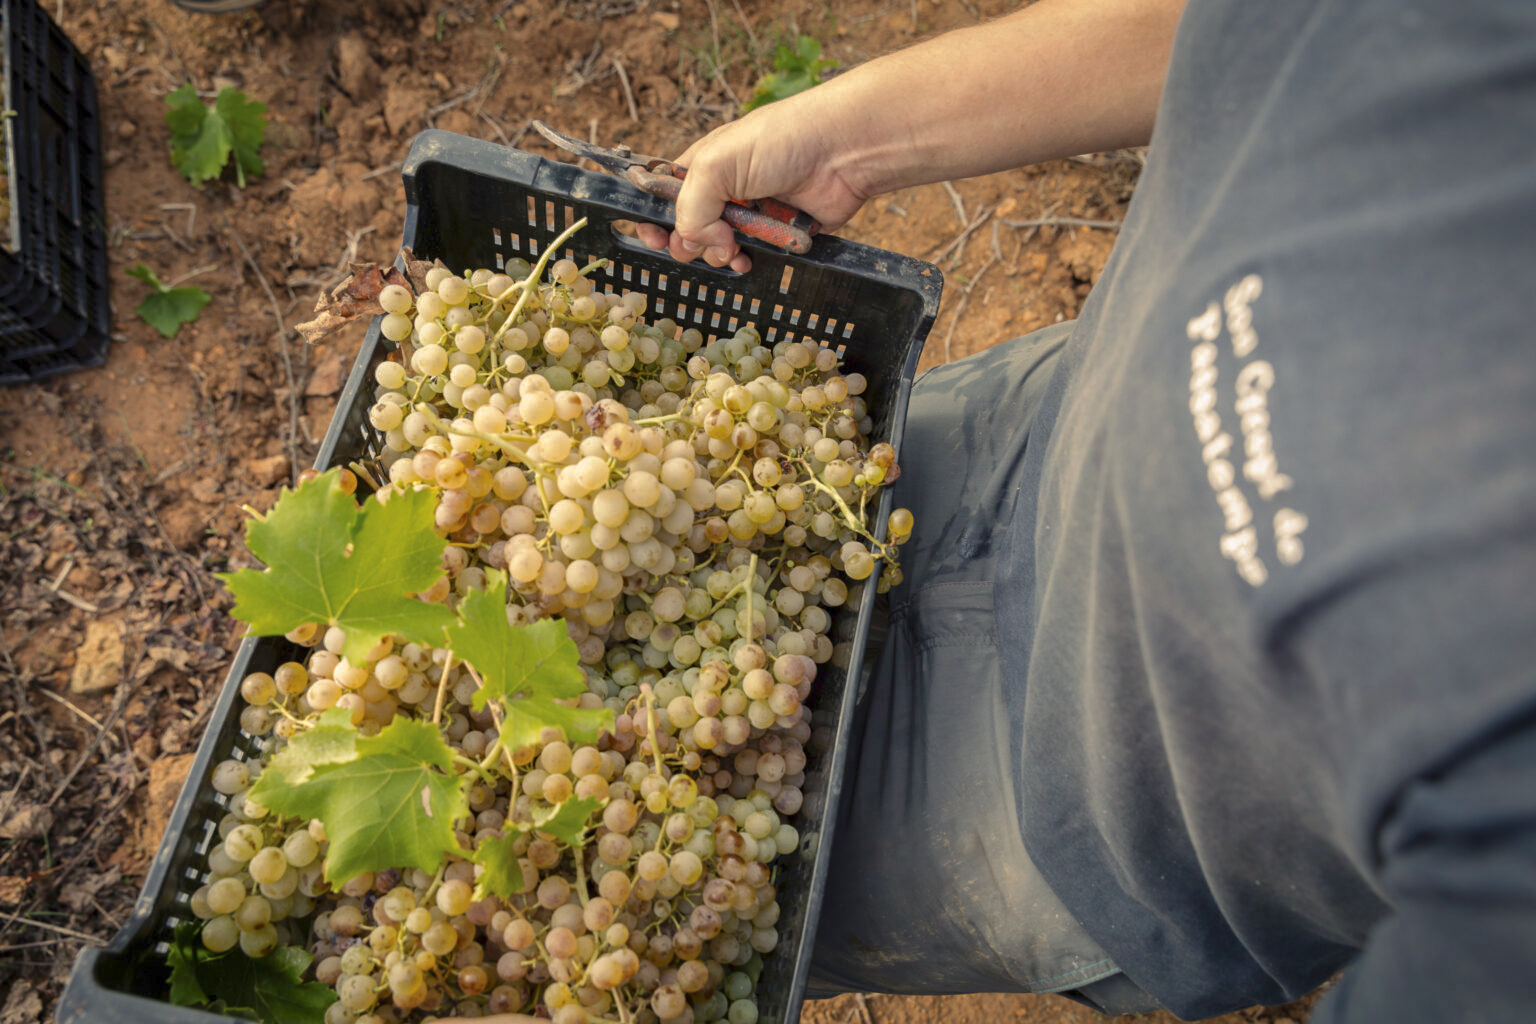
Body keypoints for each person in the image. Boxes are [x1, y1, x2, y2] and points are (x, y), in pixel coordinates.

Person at [455, 0, 1536, 1019]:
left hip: (1058, 820)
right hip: (1023, 435)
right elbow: (1228, 26)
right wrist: (847, 142)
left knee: (715, 893)